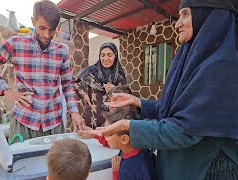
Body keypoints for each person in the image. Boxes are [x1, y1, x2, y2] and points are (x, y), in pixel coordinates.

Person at [83, 0, 238, 179]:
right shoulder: (193, 59)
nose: (178, 23)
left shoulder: (220, 68)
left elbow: (184, 130)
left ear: (208, 16)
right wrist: (138, 102)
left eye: (186, 14)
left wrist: (129, 126)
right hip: (183, 162)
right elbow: (178, 112)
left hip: (206, 169)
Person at [0, 0, 85, 140]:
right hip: (24, 122)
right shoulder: (15, 44)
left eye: (52, 30)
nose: (47, 35)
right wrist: (8, 91)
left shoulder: (62, 51)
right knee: (21, 162)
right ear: (33, 21)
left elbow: (67, 85)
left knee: (55, 162)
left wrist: (74, 112)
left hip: (54, 124)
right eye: (42, 28)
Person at [75, 42, 126, 129]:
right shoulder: (91, 71)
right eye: (102, 55)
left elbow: (125, 99)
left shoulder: (120, 76)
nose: (105, 58)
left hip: (110, 120)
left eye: (109, 55)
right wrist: (83, 94)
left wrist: (115, 90)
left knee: (107, 141)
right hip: (91, 118)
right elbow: (74, 81)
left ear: (115, 56)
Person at [102, 108, 156, 180]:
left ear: (124, 139)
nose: (104, 135)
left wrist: (115, 173)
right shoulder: (145, 150)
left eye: (109, 133)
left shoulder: (127, 169)